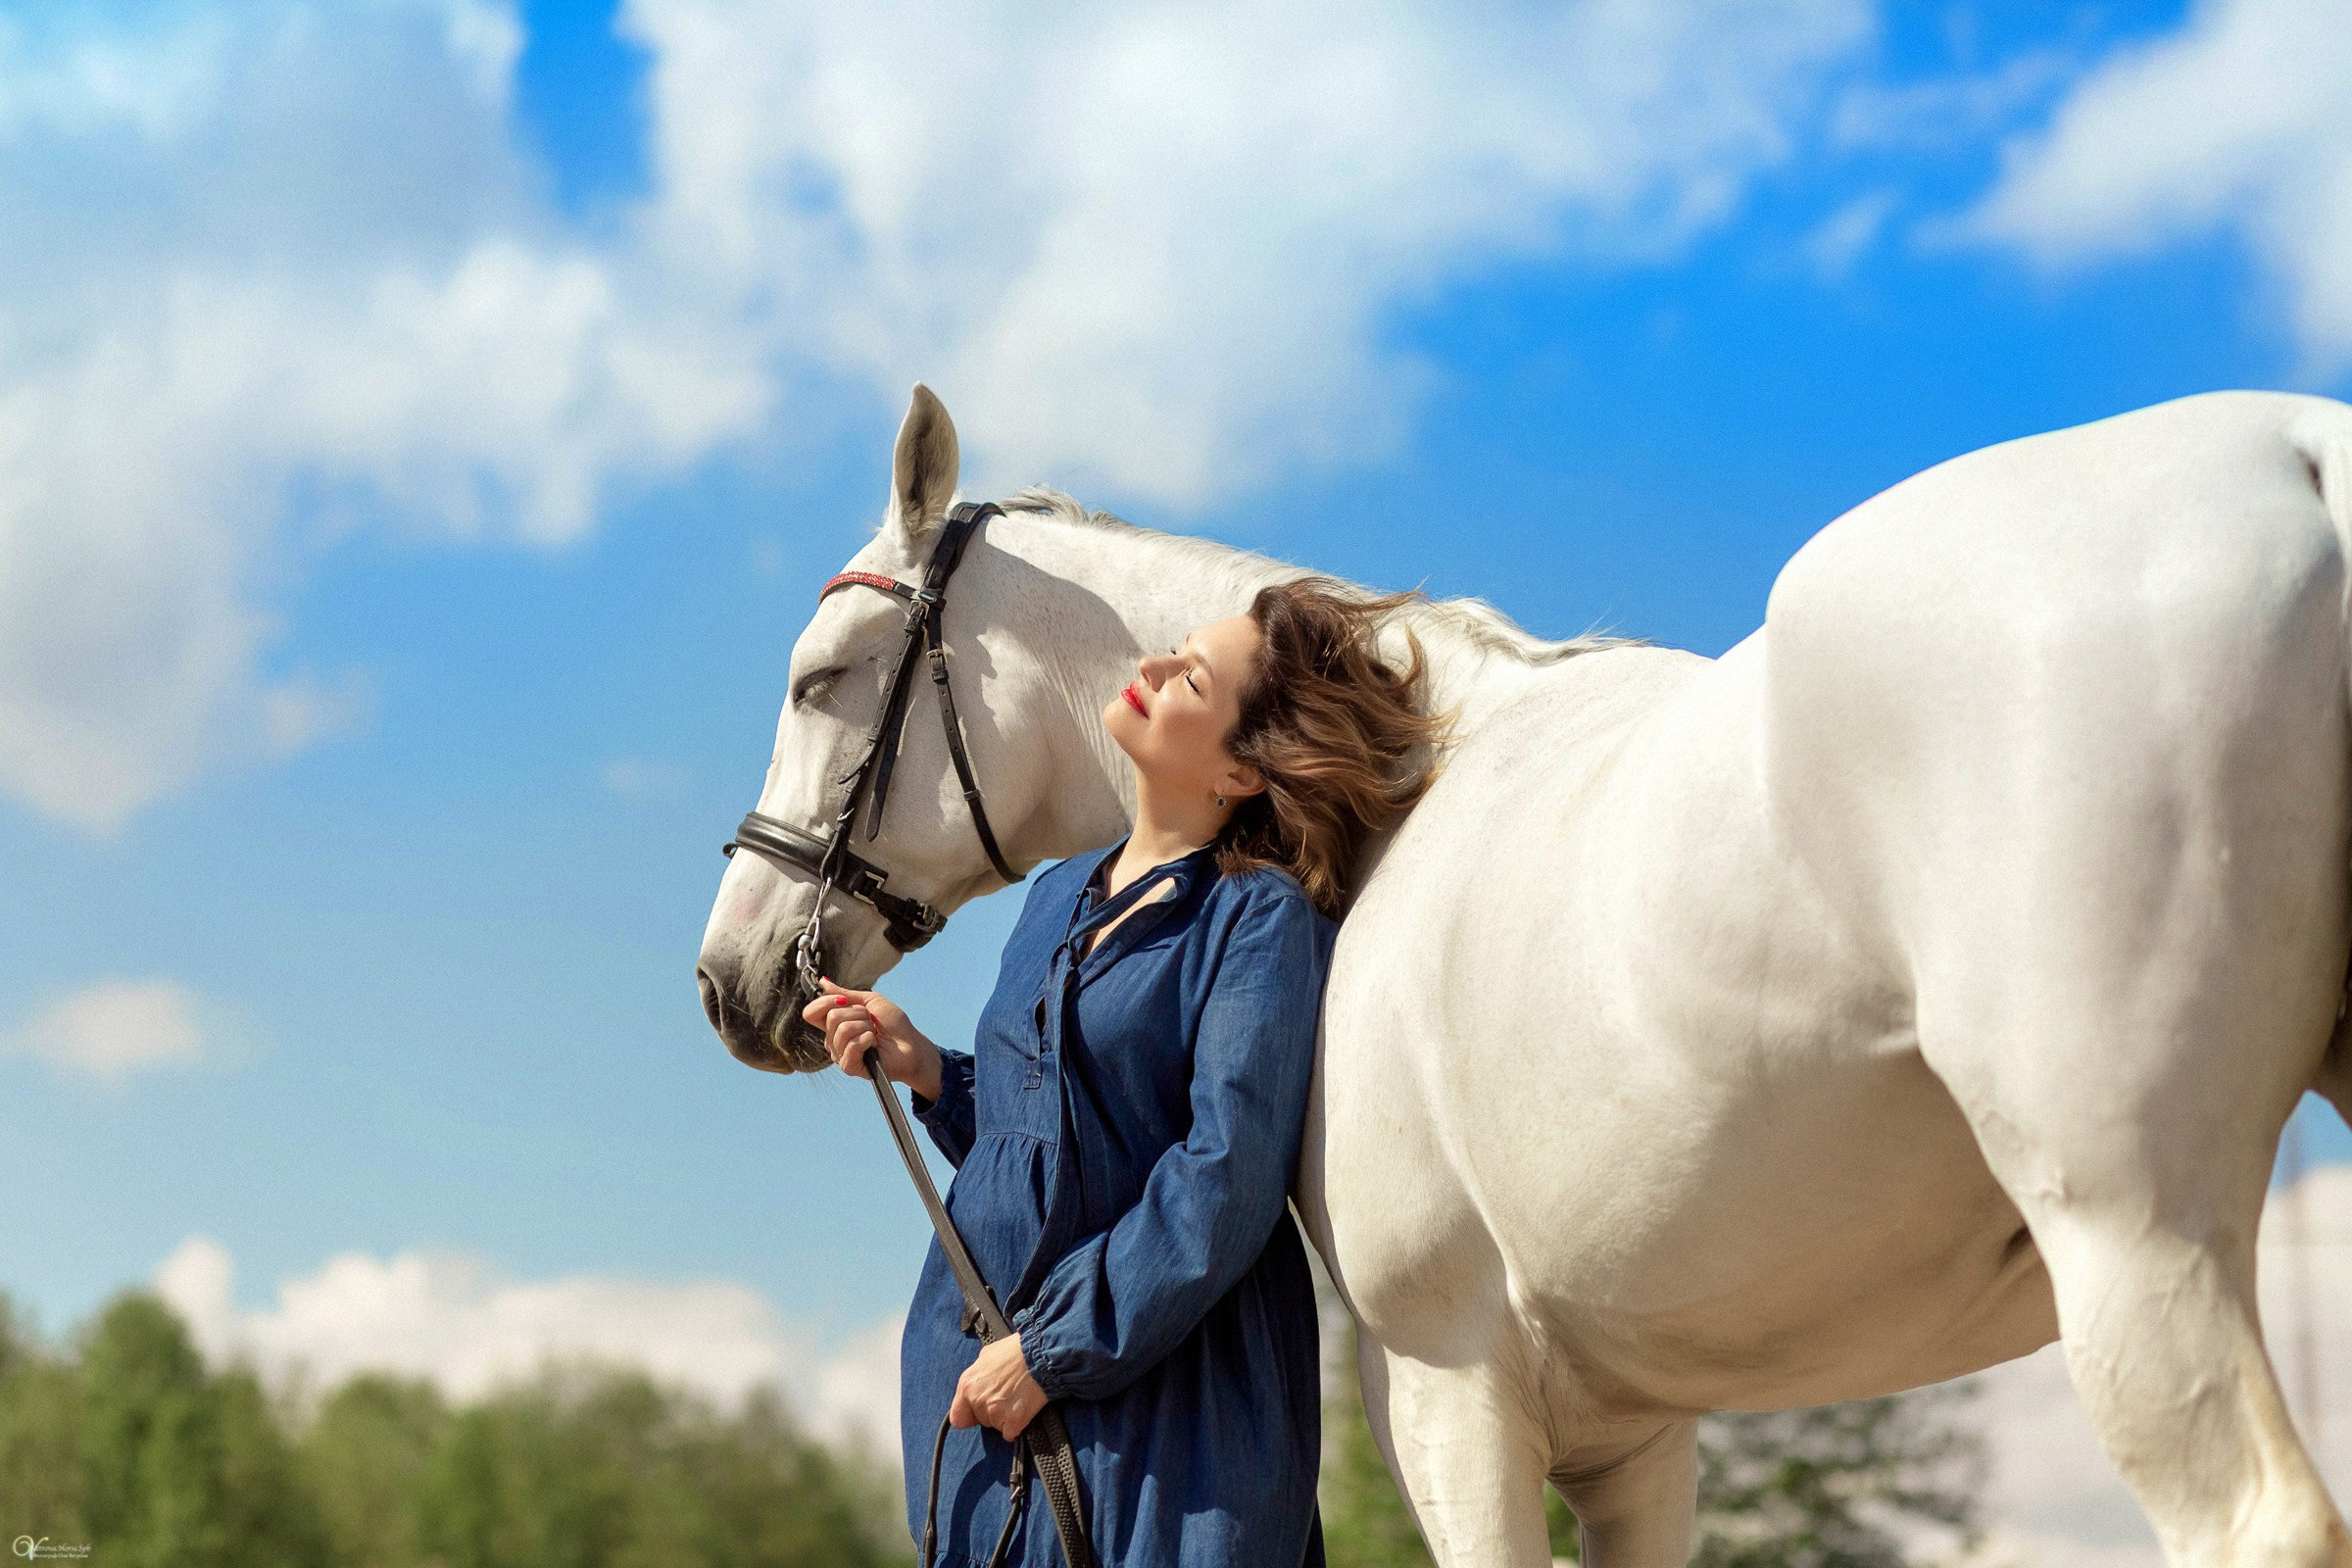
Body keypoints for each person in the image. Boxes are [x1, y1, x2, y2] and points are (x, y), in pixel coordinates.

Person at [804, 576, 1446, 1567]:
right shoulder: (1057, 892)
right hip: (982, 1388)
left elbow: (1225, 1171)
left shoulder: (1258, 920)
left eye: (1192, 677)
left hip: (1171, 1423)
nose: (1151, 669)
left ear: (1239, 770)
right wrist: (931, 1070)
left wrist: (1053, 1352)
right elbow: (1064, 1141)